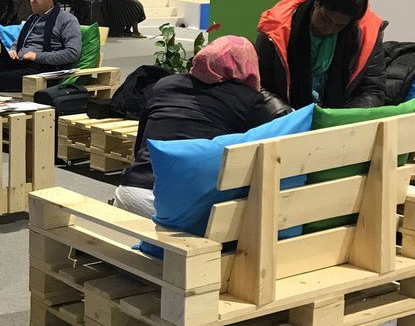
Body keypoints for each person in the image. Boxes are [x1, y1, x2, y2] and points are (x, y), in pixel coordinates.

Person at [114, 36, 291, 216]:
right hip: (176, 204)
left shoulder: (163, 85)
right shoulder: (247, 101)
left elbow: (141, 142)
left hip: (129, 191)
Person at [255, 0, 386, 109]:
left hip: (339, 123)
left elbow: (373, 90)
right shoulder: (275, 28)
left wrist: (341, 119)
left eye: (339, 25)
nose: (329, 28)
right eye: (325, 19)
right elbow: (257, 85)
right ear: (317, 2)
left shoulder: (368, 35)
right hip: (287, 121)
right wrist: (285, 114)